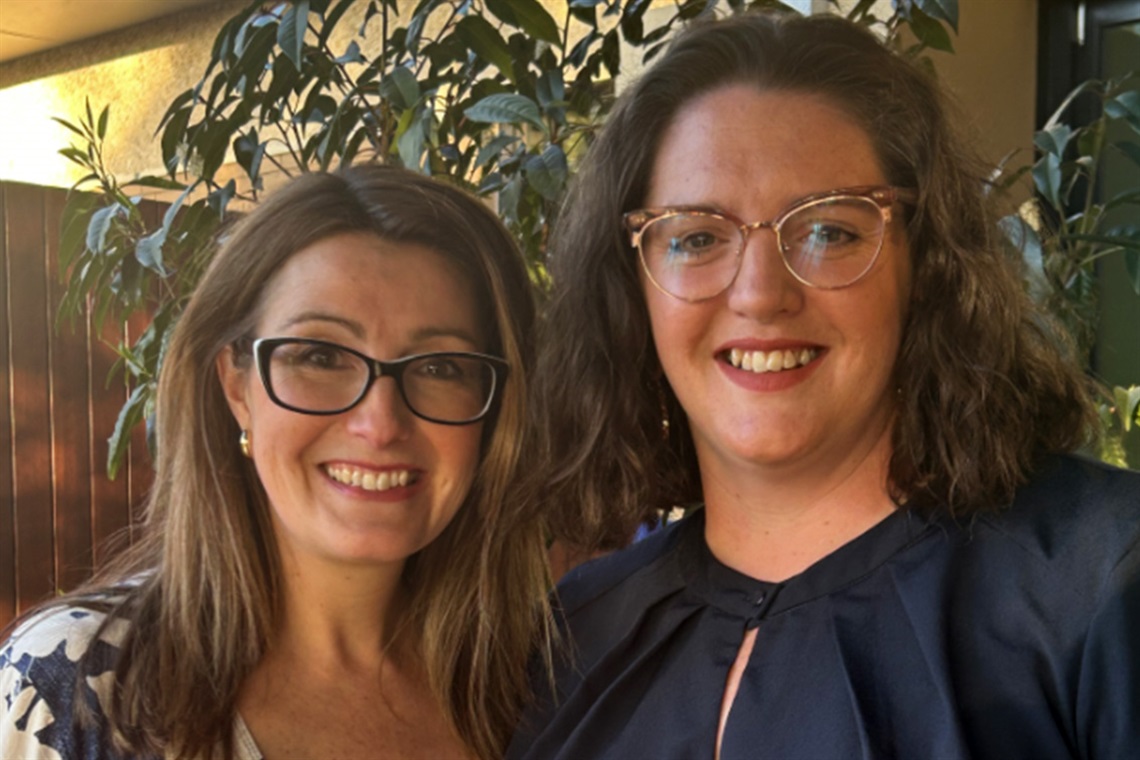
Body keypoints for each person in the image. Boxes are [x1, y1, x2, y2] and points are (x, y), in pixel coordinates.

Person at [508, 11, 1140, 760]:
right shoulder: (572, 642)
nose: (761, 294)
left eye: (830, 230)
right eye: (697, 237)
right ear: (631, 285)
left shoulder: (1103, 586)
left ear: (926, 264)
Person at [1, 164, 550, 760]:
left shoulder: (537, 683)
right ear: (237, 387)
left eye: (441, 367)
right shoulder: (76, 685)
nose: (381, 424)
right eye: (319, 355)